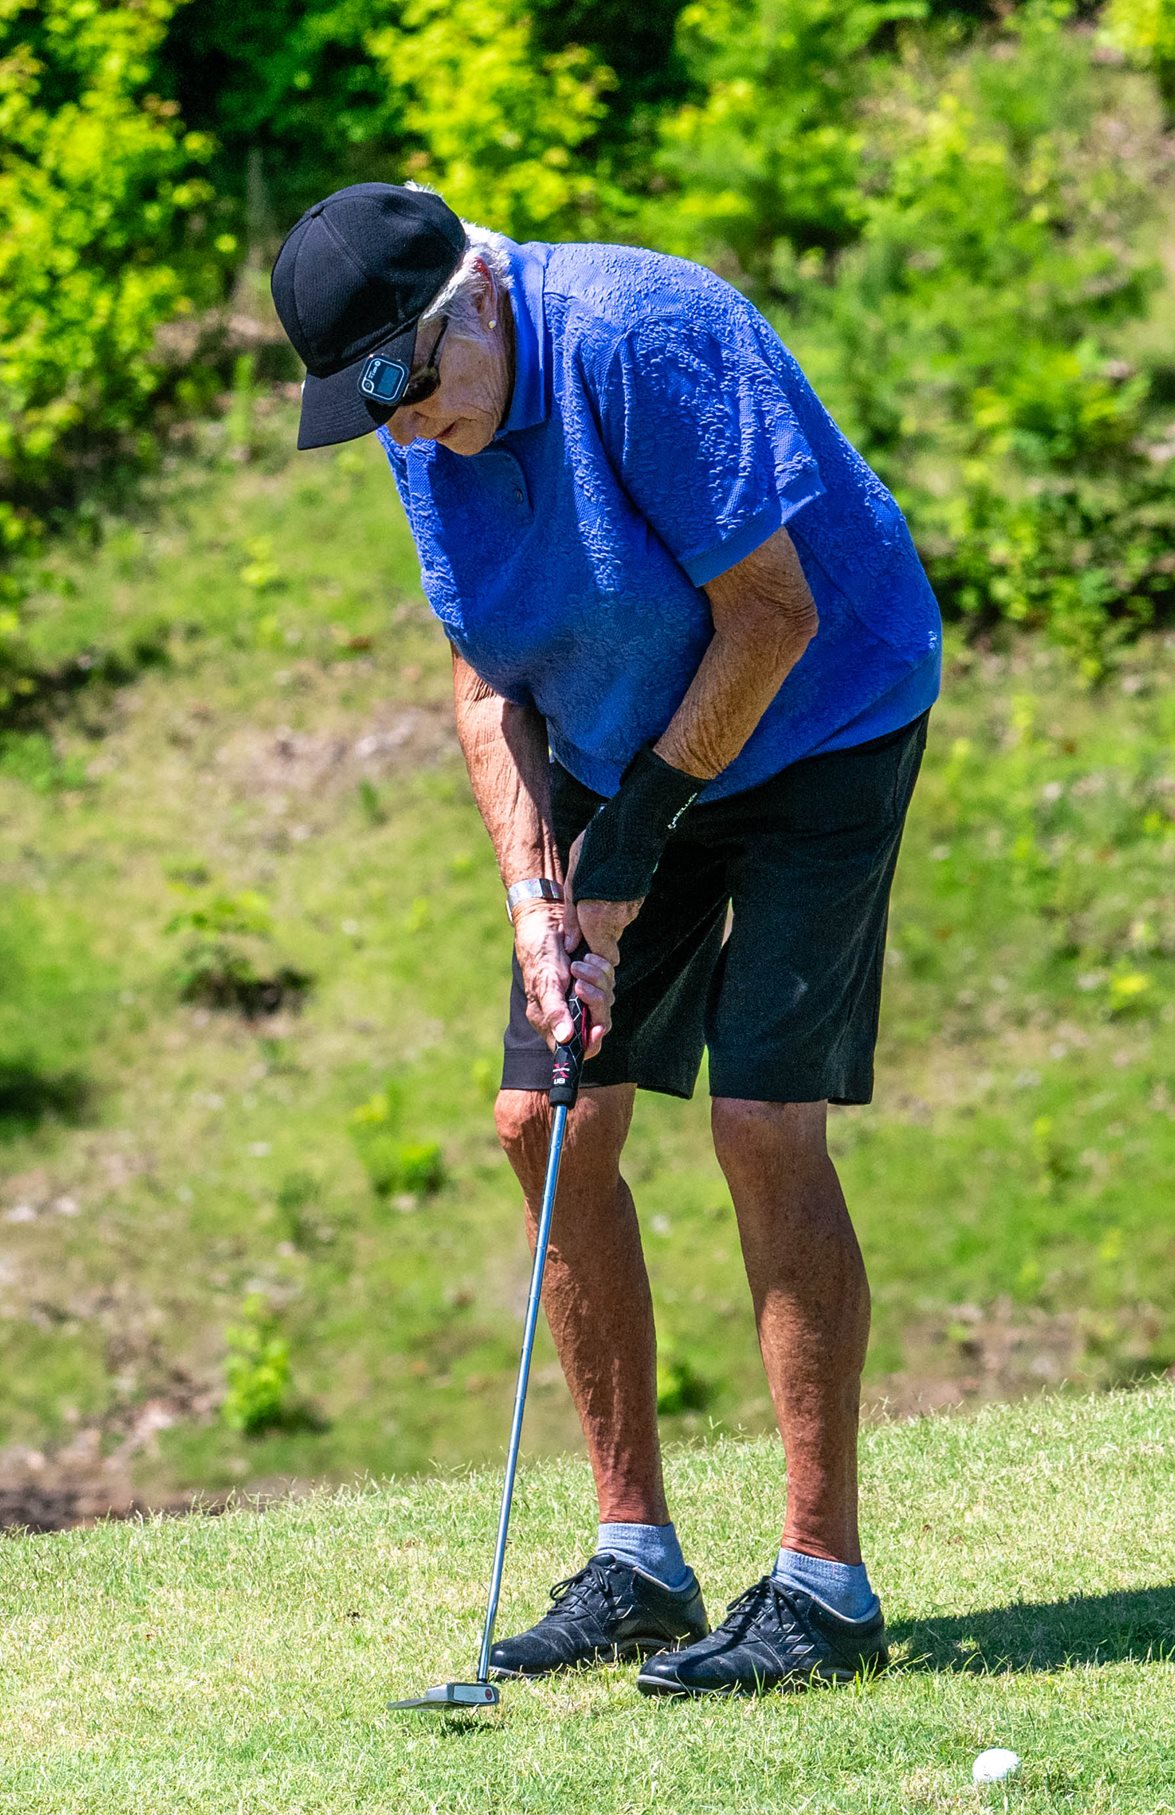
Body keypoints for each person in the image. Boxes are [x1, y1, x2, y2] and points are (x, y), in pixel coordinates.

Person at [271, 180, 942, 1697]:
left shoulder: (644, 336)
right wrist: (537, 901)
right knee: (547, 1119)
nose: (410, 435)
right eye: (380, 414)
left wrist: (635, 837)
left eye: (416, 394)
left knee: (761, 1122)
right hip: (615, 735)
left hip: (822, 721)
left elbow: (770, 614)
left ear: (475, 296)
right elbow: (482, 679)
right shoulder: (423, 412)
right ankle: (637, 1562)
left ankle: (823, 1587)